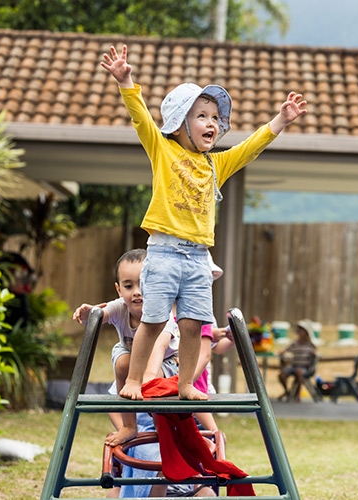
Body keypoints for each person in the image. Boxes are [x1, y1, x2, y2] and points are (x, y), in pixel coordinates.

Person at [100, 44, 307, 402]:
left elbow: (249, 149)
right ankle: (133, 380)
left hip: (198, 257)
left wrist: (280, 122)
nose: (211, 123)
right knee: (153, 320)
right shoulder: (163, 151)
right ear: (180, 123)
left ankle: (184, 384)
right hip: (164, 252)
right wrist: (126, 81)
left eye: (214, 117)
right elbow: (141, 119)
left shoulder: (215, 165)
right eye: (201, 116)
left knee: (194, 324)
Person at [72, 248, 179, 447]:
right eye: (129, 286)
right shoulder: (120, 307)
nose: (137, 291)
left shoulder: (161, 312)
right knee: (122, 361)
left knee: (155, 382)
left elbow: (159, 346)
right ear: (119, 290)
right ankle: (129, 426)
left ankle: (161, 427)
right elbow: (99, 316)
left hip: (165, 362)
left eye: (144, 284)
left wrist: (148, 376)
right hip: (131, 360)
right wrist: (88, 313)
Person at [277, 320, 318, 402]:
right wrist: (282, 352)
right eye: (299, 330)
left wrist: (313, 355)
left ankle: (298, 393)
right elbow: (286, 350)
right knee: (282, 375)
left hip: (305, 368)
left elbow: (316, 353)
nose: (299, 332)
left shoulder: (310, 344)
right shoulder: (295, 343)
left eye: (302, 330)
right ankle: (287, 391)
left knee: (299, 372)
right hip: (294, 366)